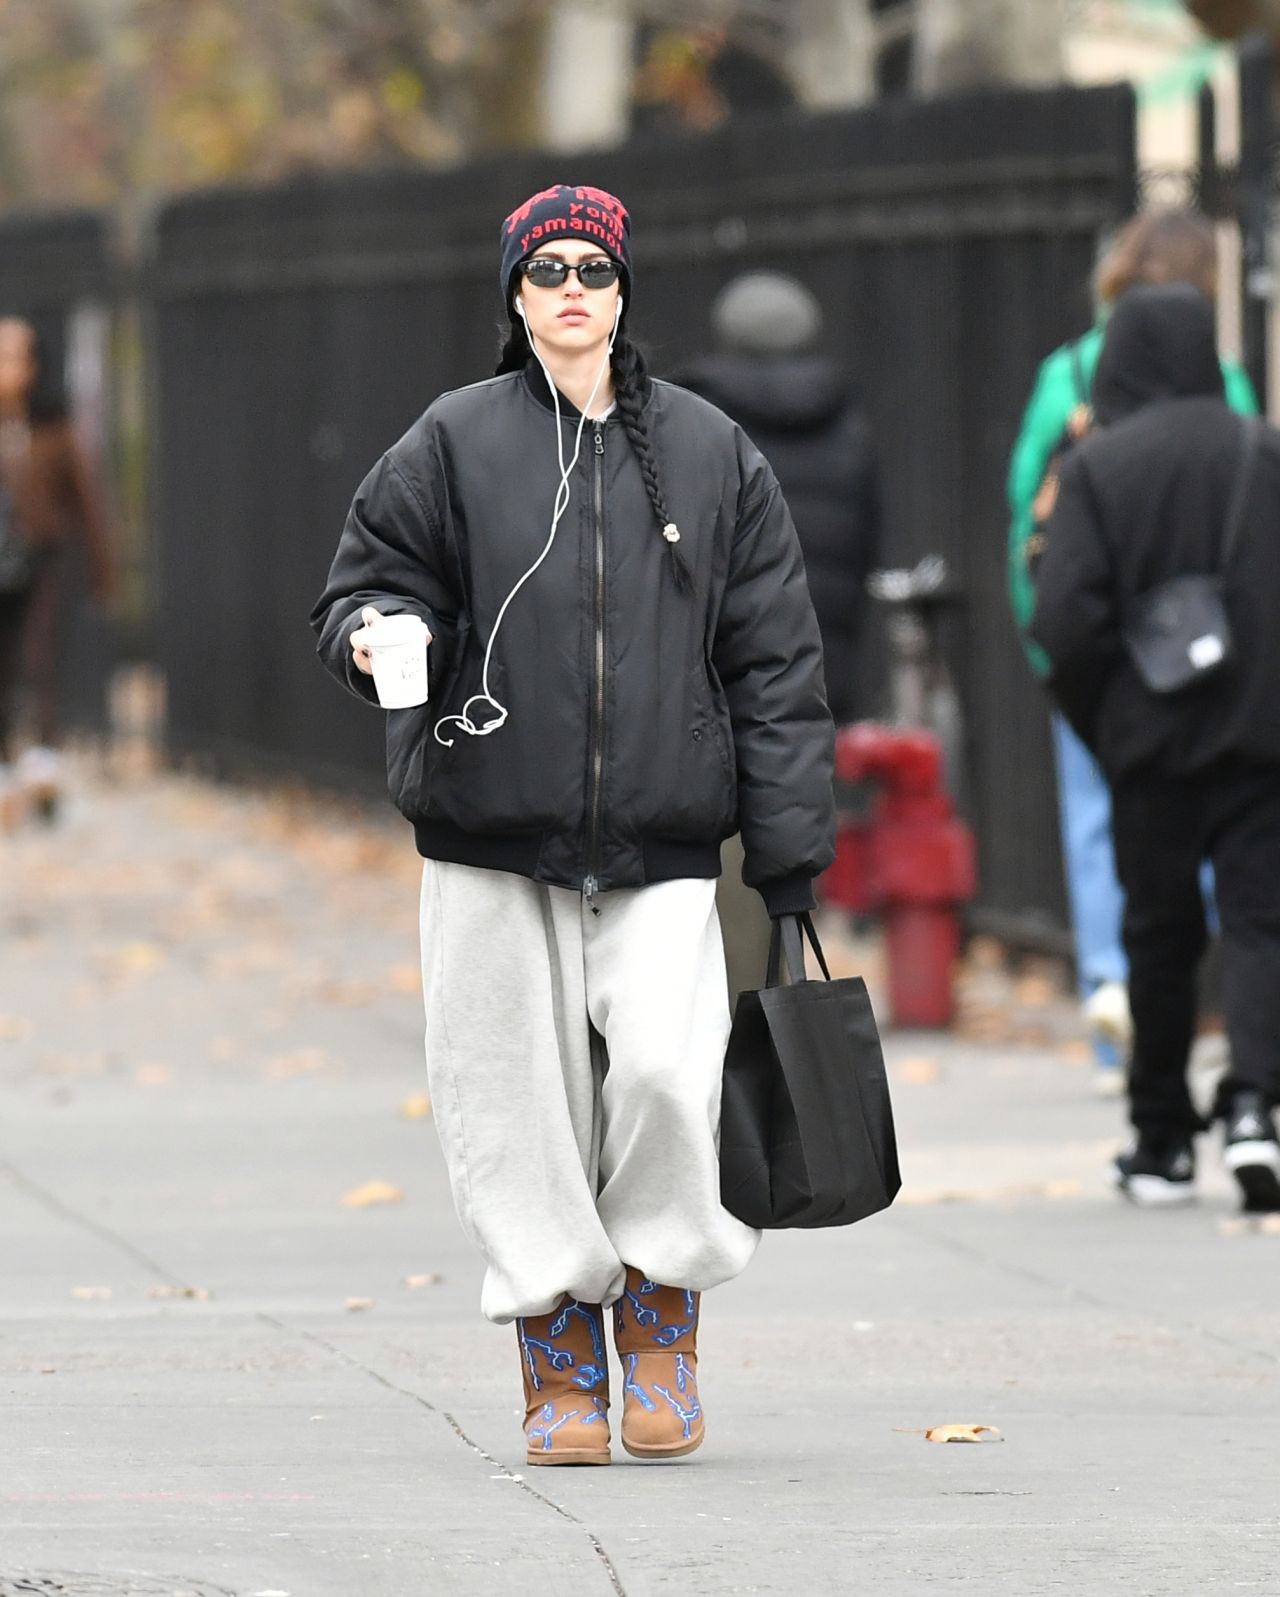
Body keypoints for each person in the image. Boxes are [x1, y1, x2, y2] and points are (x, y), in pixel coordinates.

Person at [311, 183, 835, 1465]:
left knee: (665, 1070)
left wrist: (786, 853)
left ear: (620, 293)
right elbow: (360, 588)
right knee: (511, 1104)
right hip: (490, 831)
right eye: (544, 272)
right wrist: (379, 634)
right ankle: (556, 1352)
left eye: (590, 272)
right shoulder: (449, 442)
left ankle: (659, 1322)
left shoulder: (710, 452)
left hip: (661, 840)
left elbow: (775, 661)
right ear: (514, 294)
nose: (568, 293)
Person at [1031, 283, 1280, 1214]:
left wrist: (1108, 716)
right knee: (1263, 921)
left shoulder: (1100, 468)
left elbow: (1065, 618)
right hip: (1263, 738)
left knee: (1159, 934)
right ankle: (1257, 1104)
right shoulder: (1264, 451)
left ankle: (1163, 1137)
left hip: (1150, 746)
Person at [1007, 210, 1257, 1095]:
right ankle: (1211, 1014)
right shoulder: (1220, 378)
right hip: (1219, 658)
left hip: (1101, 653)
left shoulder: (1060, 373)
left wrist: (1049, 642)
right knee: (1222, 844)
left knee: (1096, 831)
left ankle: (1116, 996)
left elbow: (1024, 510)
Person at [677, 271, 882, 727]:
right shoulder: (847, 424)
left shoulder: (692, 419)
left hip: (719, 666)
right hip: (823, 663)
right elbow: (865, 546)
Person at [0, 317, 112, 826]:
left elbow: (87, 504)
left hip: (43, 559)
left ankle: (44, 766)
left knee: (41, 658)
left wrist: (102, 569)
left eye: (15, 357)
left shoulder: (54, 428)